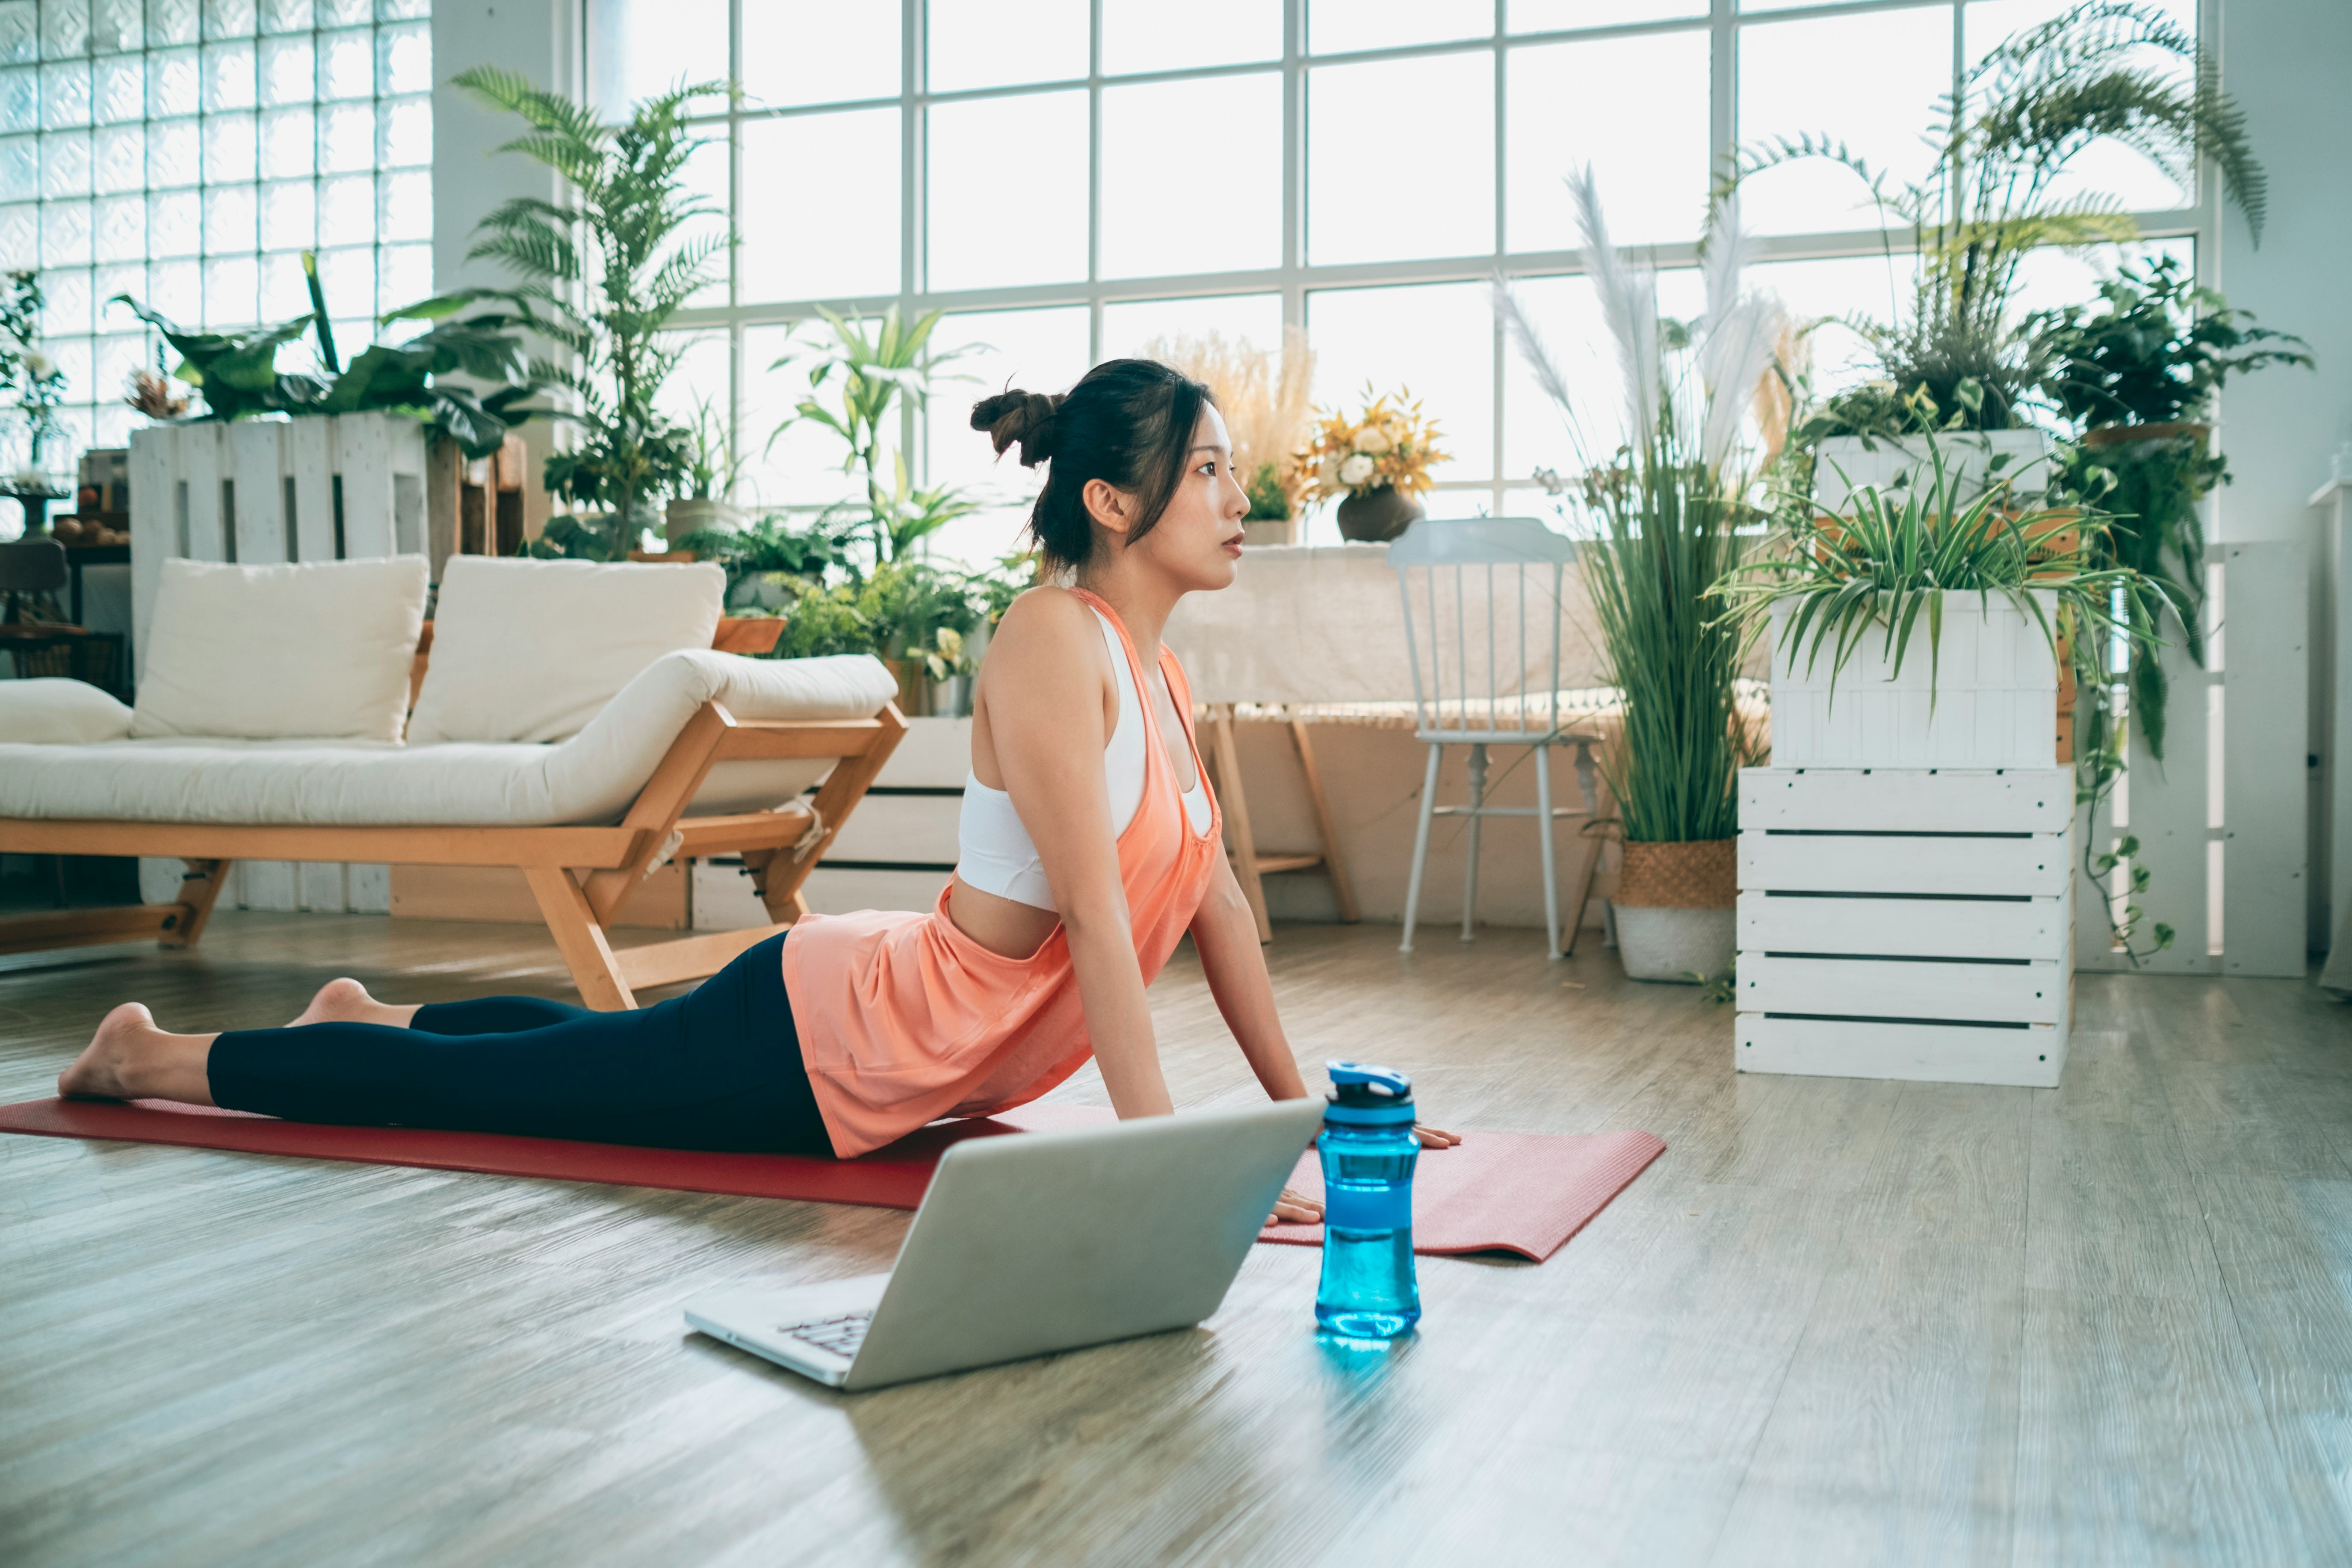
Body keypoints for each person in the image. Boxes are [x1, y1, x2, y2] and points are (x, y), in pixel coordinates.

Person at [58, 359, 1457, 1220]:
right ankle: (150, 1058)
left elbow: (1213, 908)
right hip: (837, 1043)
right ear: (1109, 501)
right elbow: (1100, 926)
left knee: (555, 1059)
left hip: (883, 1050)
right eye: (1204, 469)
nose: (1234, 492)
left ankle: (370, 1009)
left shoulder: (1163, 680)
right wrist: (1161, 1185)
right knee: (503, 1094)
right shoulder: (1051, 643)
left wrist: (1312, 1118)